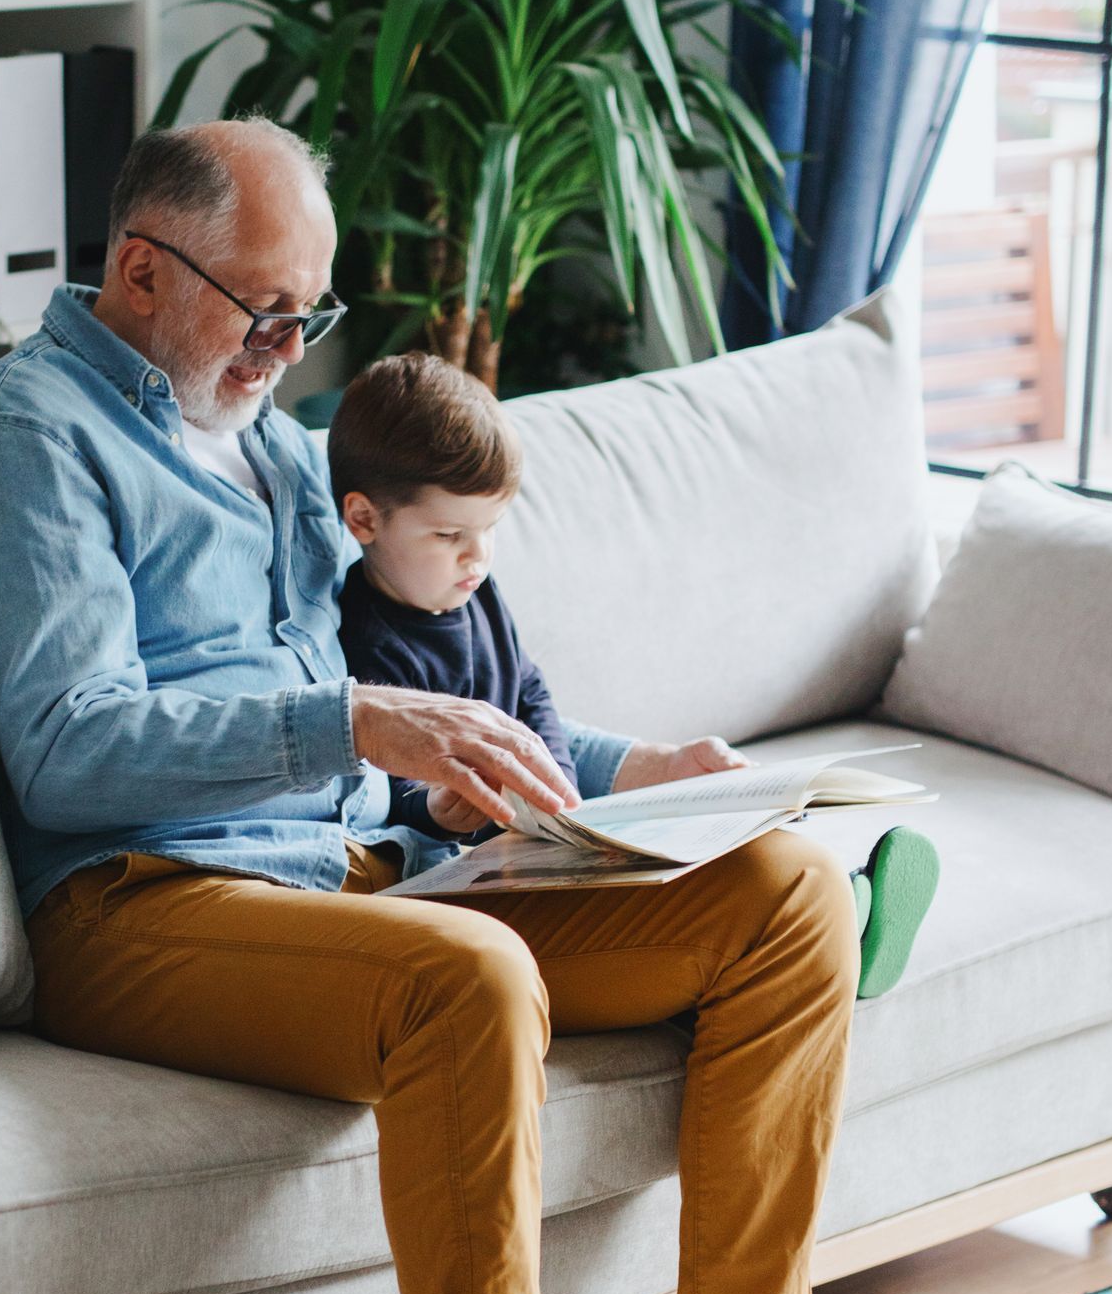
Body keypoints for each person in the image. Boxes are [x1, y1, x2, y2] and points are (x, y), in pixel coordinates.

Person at [0, 117, 977, 1294]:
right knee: (474, 978)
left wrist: (630, 772)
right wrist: (345, 718)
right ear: (135, 269)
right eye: (262, 310)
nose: (285, 350)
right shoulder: (24, 435)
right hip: (132, 907)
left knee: (786, 896)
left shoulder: (263, 436)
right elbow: (66, 743)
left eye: (307, 318)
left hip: (338, 882)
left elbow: (432, 706)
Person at [328, 351, 944, 1003]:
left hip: (543, 837)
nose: (477, 555)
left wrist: (563, 798)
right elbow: (382, 788)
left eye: (492, 529)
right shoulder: (364, 642)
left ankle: (842, 912)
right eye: (451, 533)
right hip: (468, 873)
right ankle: (832, 934)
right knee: (661, 914)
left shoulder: (474, 594)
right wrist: (440, 811)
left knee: (696, 845)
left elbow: (529, 695)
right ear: (364, 519)